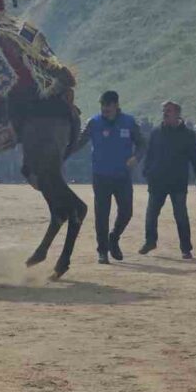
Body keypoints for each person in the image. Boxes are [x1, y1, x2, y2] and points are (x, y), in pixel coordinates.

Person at [70, 90, 145, 264]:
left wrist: (136, 157)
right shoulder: (93, 123)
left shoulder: (129, 122)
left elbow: (142, 144)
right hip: (101, 176)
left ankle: (114, 237)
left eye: (108, 107)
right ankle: (102, 251)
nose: (105, 110)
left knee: (127, 212)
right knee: (101, 214)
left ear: (116, 105)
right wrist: (63, 151)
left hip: (122, 176)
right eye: (102, 106)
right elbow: (79, 142)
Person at [140, 101, 196, 258]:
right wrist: (147, 171)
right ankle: (150, 241)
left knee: (181, 215)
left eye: (168, 110)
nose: (165, 113)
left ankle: (186, 248)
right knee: (151, 214)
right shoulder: (156, 132)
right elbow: (150, 154)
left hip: (178, 181)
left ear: (177, 113)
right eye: (164, 110)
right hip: (158, 181)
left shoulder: (187, 134)